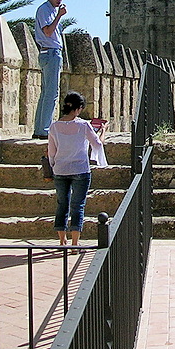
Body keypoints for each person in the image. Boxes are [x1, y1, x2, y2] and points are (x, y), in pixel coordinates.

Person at [47, 91, 107, 249]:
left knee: (62, 204)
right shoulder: (83, 125)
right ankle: (75, 243)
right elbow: (97, 145)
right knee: (78, 205)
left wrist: (53, 166)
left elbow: (51, 152)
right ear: (79, 108)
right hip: (80, 169)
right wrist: (103, 132)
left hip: (60, 169)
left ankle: (62, 240)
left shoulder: (54, 126)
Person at [33, 0, 67, 139]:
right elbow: (47, 31)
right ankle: (44, 130)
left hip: (52, 53)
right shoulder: (44, 10)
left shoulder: (52, 10)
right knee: (52, 94)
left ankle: (39, 129)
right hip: (50, 53)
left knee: (46, 93)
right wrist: (59, 16)